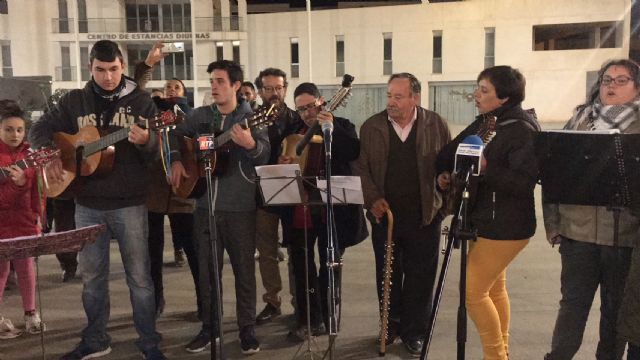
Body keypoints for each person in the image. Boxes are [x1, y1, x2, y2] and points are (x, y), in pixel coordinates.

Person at [28, 40, 165, 360]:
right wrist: (50, 152)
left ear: (122, 67)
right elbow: (39, 129)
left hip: (130, 202)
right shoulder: (75, 100)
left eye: (114, 69)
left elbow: (155, 152)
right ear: (90, 68)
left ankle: (149, 342)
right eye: (100, 70)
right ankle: (95, 338)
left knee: (140, 279)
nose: (108, 76)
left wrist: (147, 140)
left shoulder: (142, 103)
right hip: (87, 203)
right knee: (91, 279)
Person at [437, 65, 540, 360]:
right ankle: (501, 350)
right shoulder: (487, 123)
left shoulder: (521, 129)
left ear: (504, 97)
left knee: (472, 293)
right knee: (494, 290)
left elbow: (523, 183)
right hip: (484, 219)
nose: (476, 95)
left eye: (484, 90)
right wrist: (447, 171)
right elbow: (451, 152)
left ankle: (496, 357)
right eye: (477, 88)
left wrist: (486, 169)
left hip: (506, 226)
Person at [168, 60, 269, 355]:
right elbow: (175, 135)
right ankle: (209, 328)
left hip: (239, 207)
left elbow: (264, 155)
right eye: (212, 81)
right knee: (208, 273)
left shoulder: (252, 117)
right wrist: (176, 159)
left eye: (221, 81)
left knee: (244, 272)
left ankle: (247, 329)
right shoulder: (199, 116)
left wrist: (251, 145)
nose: (214, 86)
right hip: (203, 206)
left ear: (236, 86)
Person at [543, 59, 640, 360]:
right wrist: (553, 222)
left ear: (637, 87)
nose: (611, 85)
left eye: (620, 80)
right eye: (606, 79)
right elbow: (554, 174)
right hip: (577, 234)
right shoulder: (579, 121)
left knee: (614, 308)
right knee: (572, 304)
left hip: (623, 236)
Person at [352, 72, 451, 356]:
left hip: (425, 217)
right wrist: (372, 199)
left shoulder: (436, 124)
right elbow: (361, 168)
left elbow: (448, 164)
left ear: (415, 98)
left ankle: (415, 331)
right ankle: (390, 324)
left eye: (398, 96)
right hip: (386, 217)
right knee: (387, 273)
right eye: (388, 96)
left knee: (421, 276)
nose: (391, 102)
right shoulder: (372, 127)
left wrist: (443, 192)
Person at [280, 82, 367, 341]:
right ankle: (308, 318)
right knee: (301, 264)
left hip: (332, 209)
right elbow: (284, 158)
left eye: (310, 106)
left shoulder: (342, 125)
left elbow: (353, 150)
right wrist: (284, 161)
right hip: (301, 207)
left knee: (330, 264)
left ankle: (328, 314)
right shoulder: (293, 131)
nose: (307, 113)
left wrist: (333, 127)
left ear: (321, 101)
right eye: (301, 109)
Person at [134, 42, 200, 318]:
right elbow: (136, 87)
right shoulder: (152, 110)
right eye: (169, 86)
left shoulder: (193, 116)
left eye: (177, 88)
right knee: (152, 254)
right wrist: (149, 63)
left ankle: (204, 302)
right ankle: (156, 301)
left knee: (194, 252)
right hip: (153, 192)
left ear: (184, 94)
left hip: (182, 189)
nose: (172, 90)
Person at [253, 67, 304, 325]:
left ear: (285, 88)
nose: (275, 93)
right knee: (267, 252)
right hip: (262, 194)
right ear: (260, 90)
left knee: (295, 251)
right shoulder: (251, 119)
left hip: (292, 194)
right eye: (269, 88)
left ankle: (299, 303)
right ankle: (272, 302)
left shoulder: (297, 119)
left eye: (279, 87)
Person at [0, 99, 46, 339]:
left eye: (19, 129)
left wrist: (39, 216)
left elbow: (38, 191)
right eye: (8, 129)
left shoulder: (31, 154)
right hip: (2, 225)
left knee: (27, 268)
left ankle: (31, 314)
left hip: (26, 222)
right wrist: (17, 186)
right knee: (1, 271)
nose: (15, 134)